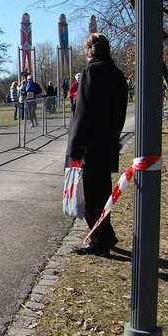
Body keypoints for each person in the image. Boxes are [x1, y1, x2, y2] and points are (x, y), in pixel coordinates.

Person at [66, 33, 128, 255]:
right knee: (102, 194)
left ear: (88, 51)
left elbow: (82, 114)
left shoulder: (91, 73)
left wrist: (74, 147)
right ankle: (107, 235)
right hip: (108, 143)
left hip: (90, 147)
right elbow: (121, 112)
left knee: (92, 198)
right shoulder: (118, 75)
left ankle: (99, 242)